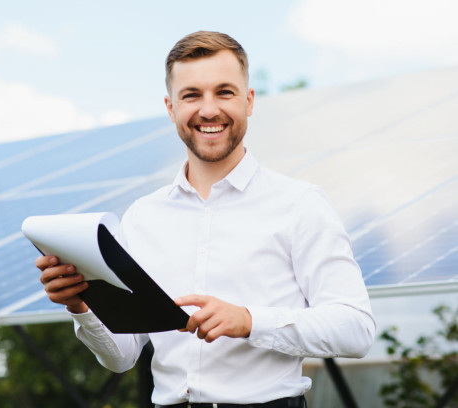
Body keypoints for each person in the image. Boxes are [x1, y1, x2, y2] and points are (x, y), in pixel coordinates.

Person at [36, 31, 376, 408]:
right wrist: (80, 306)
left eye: (225, 92)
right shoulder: (141, 218)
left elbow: (356, 329)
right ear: (171, 108)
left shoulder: (300, 204)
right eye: (192, 95)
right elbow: (122, 357)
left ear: (248, 101)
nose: (209, 110)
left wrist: (250, 321)